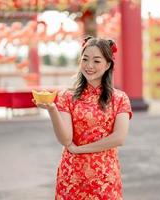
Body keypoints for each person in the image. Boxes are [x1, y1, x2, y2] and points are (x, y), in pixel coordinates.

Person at [34, 36, 132, 199]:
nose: (89, 66)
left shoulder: (119, 98)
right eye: (85, 59)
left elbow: (119, 138)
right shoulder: (66, 96)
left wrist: (80, 150)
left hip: (105, 178)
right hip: (72, 177)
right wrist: (52, 110)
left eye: (96, 61)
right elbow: (66, 139)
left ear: (108, 65)